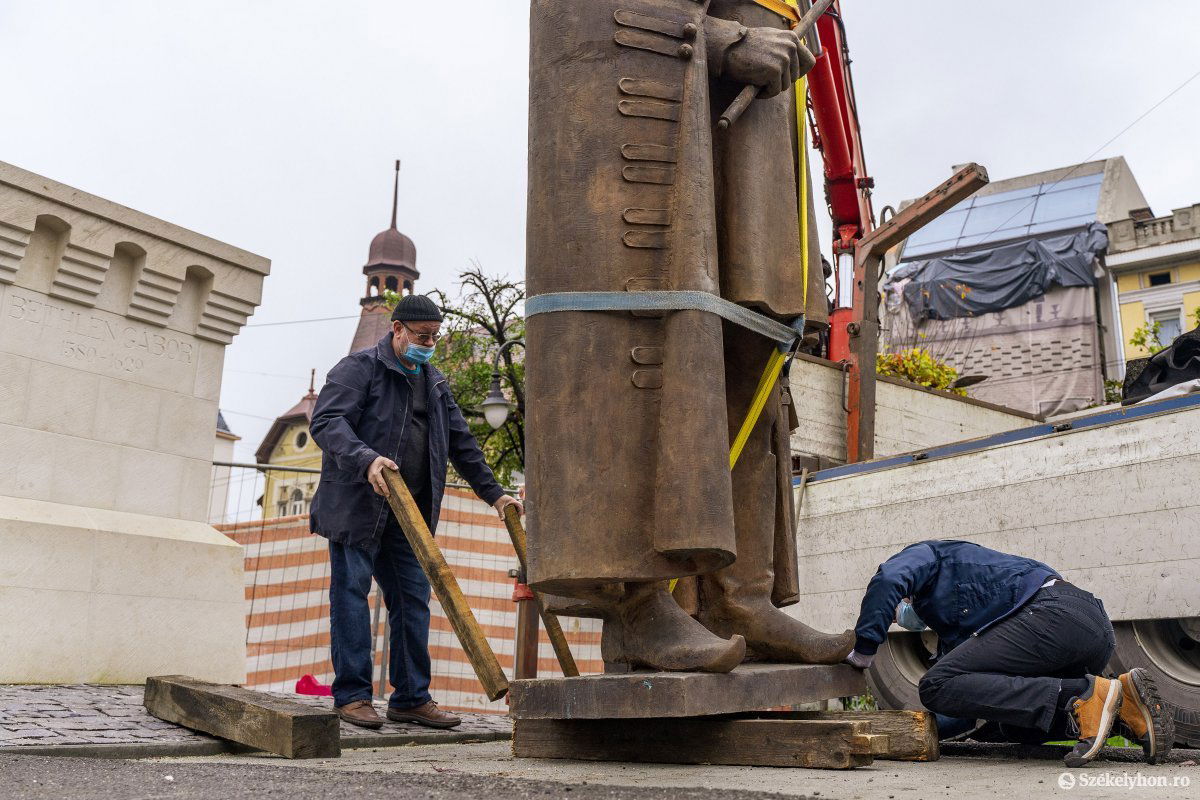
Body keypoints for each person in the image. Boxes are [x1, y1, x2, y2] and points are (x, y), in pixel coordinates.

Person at [309, 294, 522, 729]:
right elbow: (327, 422)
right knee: (350, 596)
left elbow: (462, 446)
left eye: (434, 337)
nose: (428, 343)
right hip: (357, 507)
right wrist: (367, 458)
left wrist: (495, 495)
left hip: (411, 516)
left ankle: (410, 697)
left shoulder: (436, 384)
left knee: (413, 600)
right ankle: (351, 696)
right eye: (422, 336)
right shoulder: (358, 369)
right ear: (398, 329)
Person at [845, 540, 1173, 766]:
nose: (903, 614)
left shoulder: (930, 555)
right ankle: (1124, 716)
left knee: (934, 684)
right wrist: (897, 732)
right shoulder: (963, 621)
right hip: (1091, 629)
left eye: (904, 605)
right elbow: (962, 707)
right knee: (1011, 725)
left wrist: (864, 651)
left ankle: (1088, 694)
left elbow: (888, 579)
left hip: (1056, 615)